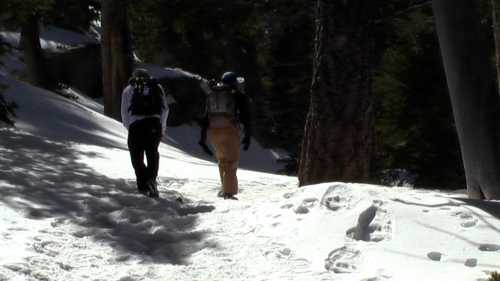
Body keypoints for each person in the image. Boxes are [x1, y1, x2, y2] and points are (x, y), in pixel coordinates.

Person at [198, 71, 251, 200]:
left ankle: (225, 189)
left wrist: (203, 138)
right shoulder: (237, 95)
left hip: (213, 130)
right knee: (232, 161)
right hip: (229, 129)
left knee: (222, 160)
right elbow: (246, 116)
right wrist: (248, 134)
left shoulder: (212, 93)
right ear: (234, 82)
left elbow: (205, 117)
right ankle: (229, 192)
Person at [121, 68, 169, 198]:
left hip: (136, 126)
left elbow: (124, 112)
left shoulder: (128, 89)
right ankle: (151, 180)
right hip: (154, 124)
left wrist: (129, 127)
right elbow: (165, 109)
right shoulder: (157, 87)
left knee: (136, 155)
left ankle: (142, 183)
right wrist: (162, 128)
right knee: (152, 152)